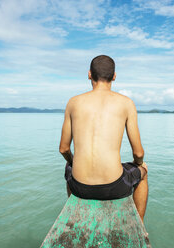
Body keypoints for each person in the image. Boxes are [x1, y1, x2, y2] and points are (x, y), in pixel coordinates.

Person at [59, 55, 148, 221]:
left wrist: (73, 161)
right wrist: (139, 164)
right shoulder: (126, 103)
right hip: (113, 187)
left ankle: (75, 214)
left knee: (69, 166)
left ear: (89, 74)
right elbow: (138, 152)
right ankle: (139, 226)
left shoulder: (73, 102)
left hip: (79, 187)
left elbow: (63, 149)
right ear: (114, 76)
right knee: (143, 173)